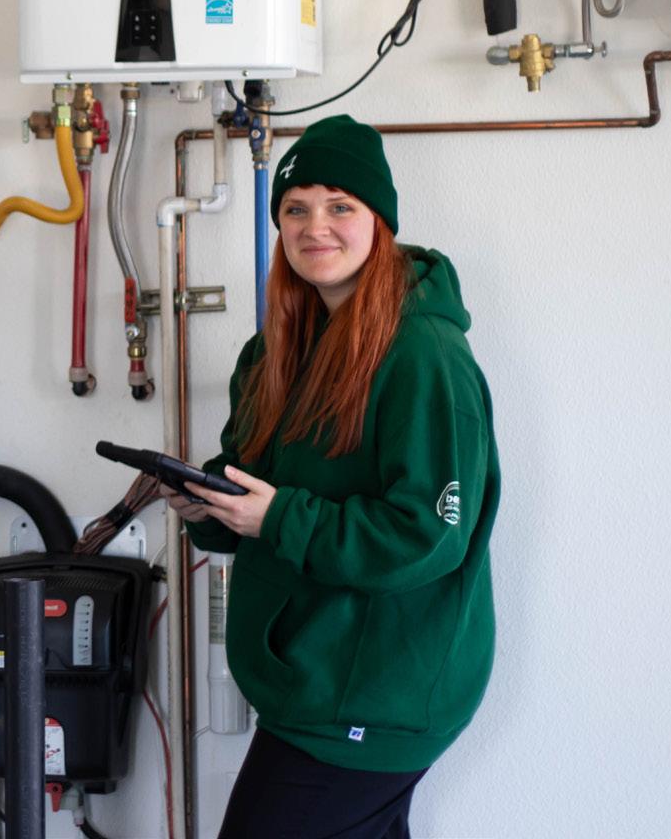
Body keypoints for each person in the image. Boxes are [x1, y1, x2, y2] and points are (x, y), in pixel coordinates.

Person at [169, 115, 498, 839]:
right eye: (295, 209)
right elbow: (256, 478)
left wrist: (279, 517)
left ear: (379, 221)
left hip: (377, 692)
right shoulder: (273, 350)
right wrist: (207, 502)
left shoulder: (424, 355)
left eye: (339, 206)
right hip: (310, 683)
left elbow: (428, 534)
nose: (314, 227)